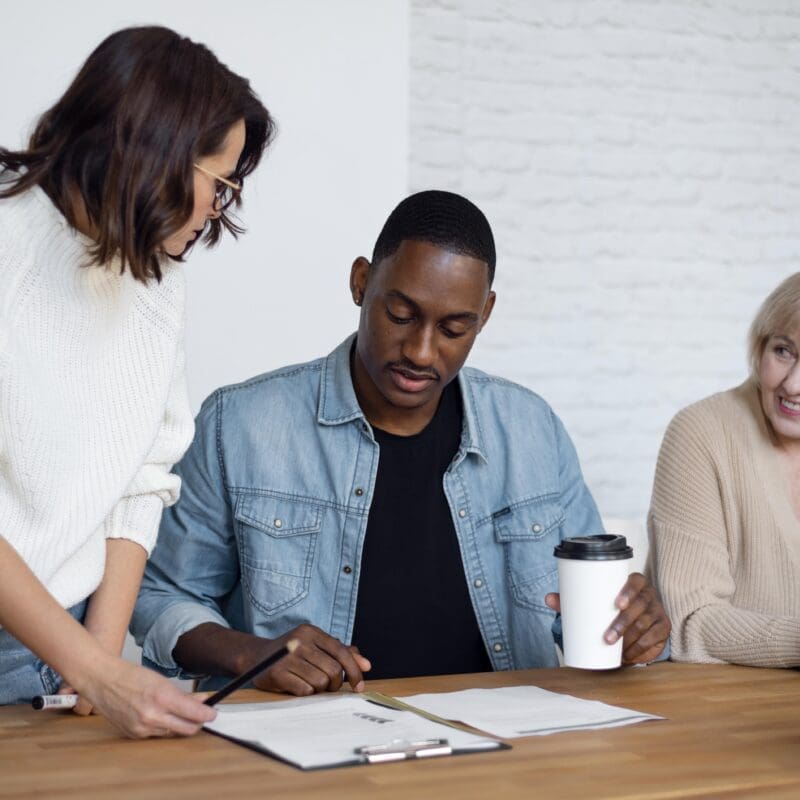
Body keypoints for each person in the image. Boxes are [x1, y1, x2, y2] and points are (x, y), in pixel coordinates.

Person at [132, 190, 670, 694]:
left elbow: (588, 616)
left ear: (485, 314)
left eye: (454, 329)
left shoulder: (532, 430)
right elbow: (160, 595)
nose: (420, 351)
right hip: (308, 741)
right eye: (401, 315)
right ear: (361, 282)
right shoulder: (241, 425)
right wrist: (251, 654)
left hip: (507, 741)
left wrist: (630, 631)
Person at [0, 26, 275, 736]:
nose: (218, 210)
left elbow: (142, 480)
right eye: (221, 183)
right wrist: (97, 671)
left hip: (56, 647)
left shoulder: (155, 277)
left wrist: (94, 661)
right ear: (158, 151)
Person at [649, 274, 800, 668]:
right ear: (760, 347)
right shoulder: (701, 432)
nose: (793, 385)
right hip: (715, 699)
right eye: (783, 351)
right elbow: (691, 623)